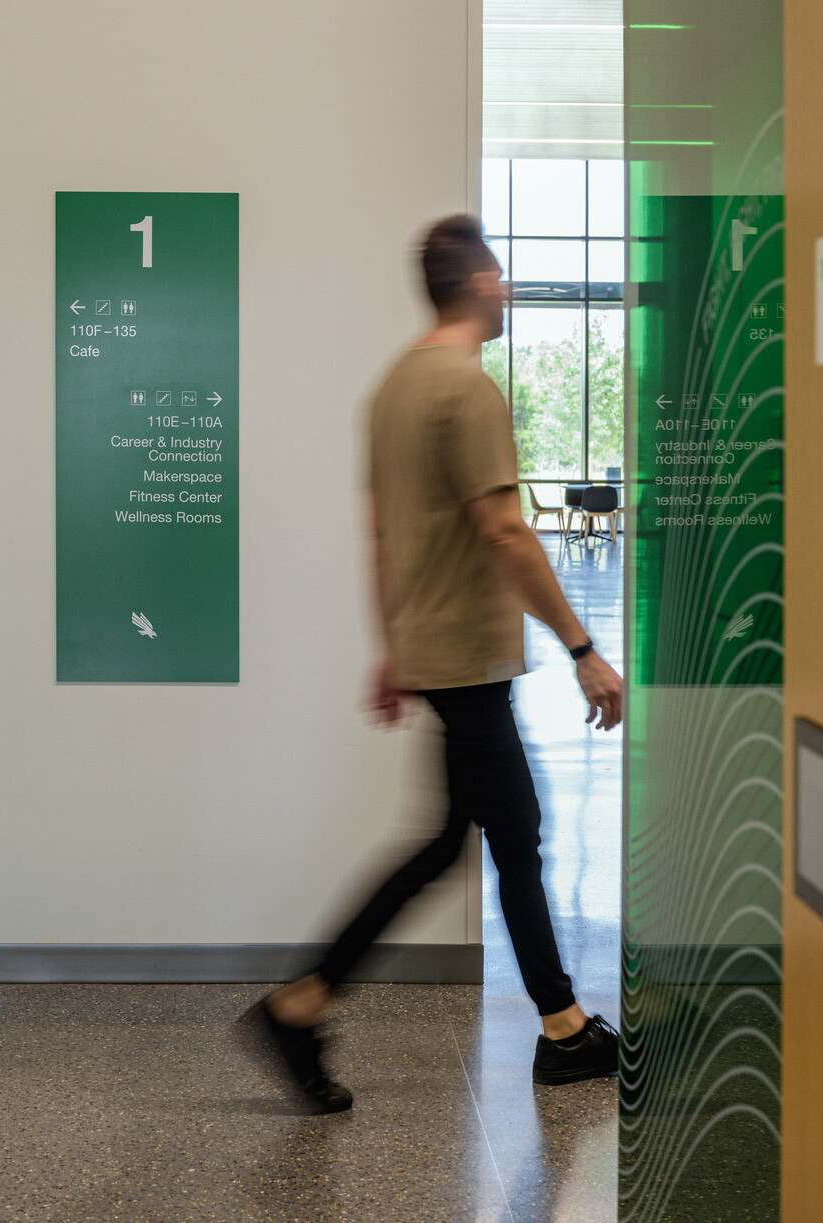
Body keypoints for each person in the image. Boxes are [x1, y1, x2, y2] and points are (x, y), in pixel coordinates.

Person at [239, 214, 623, 1114]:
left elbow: (379, 535)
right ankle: (552, 1027)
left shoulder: (392, 388)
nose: (512, 290)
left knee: (474, 835)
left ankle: (552, 1022)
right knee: (505, 834)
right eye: (506, 276)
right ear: (482, 282)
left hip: (436, 651)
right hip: (470, 657)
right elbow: (503, 531)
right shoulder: (466, 389)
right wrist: (583, 647)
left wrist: (391, 645)